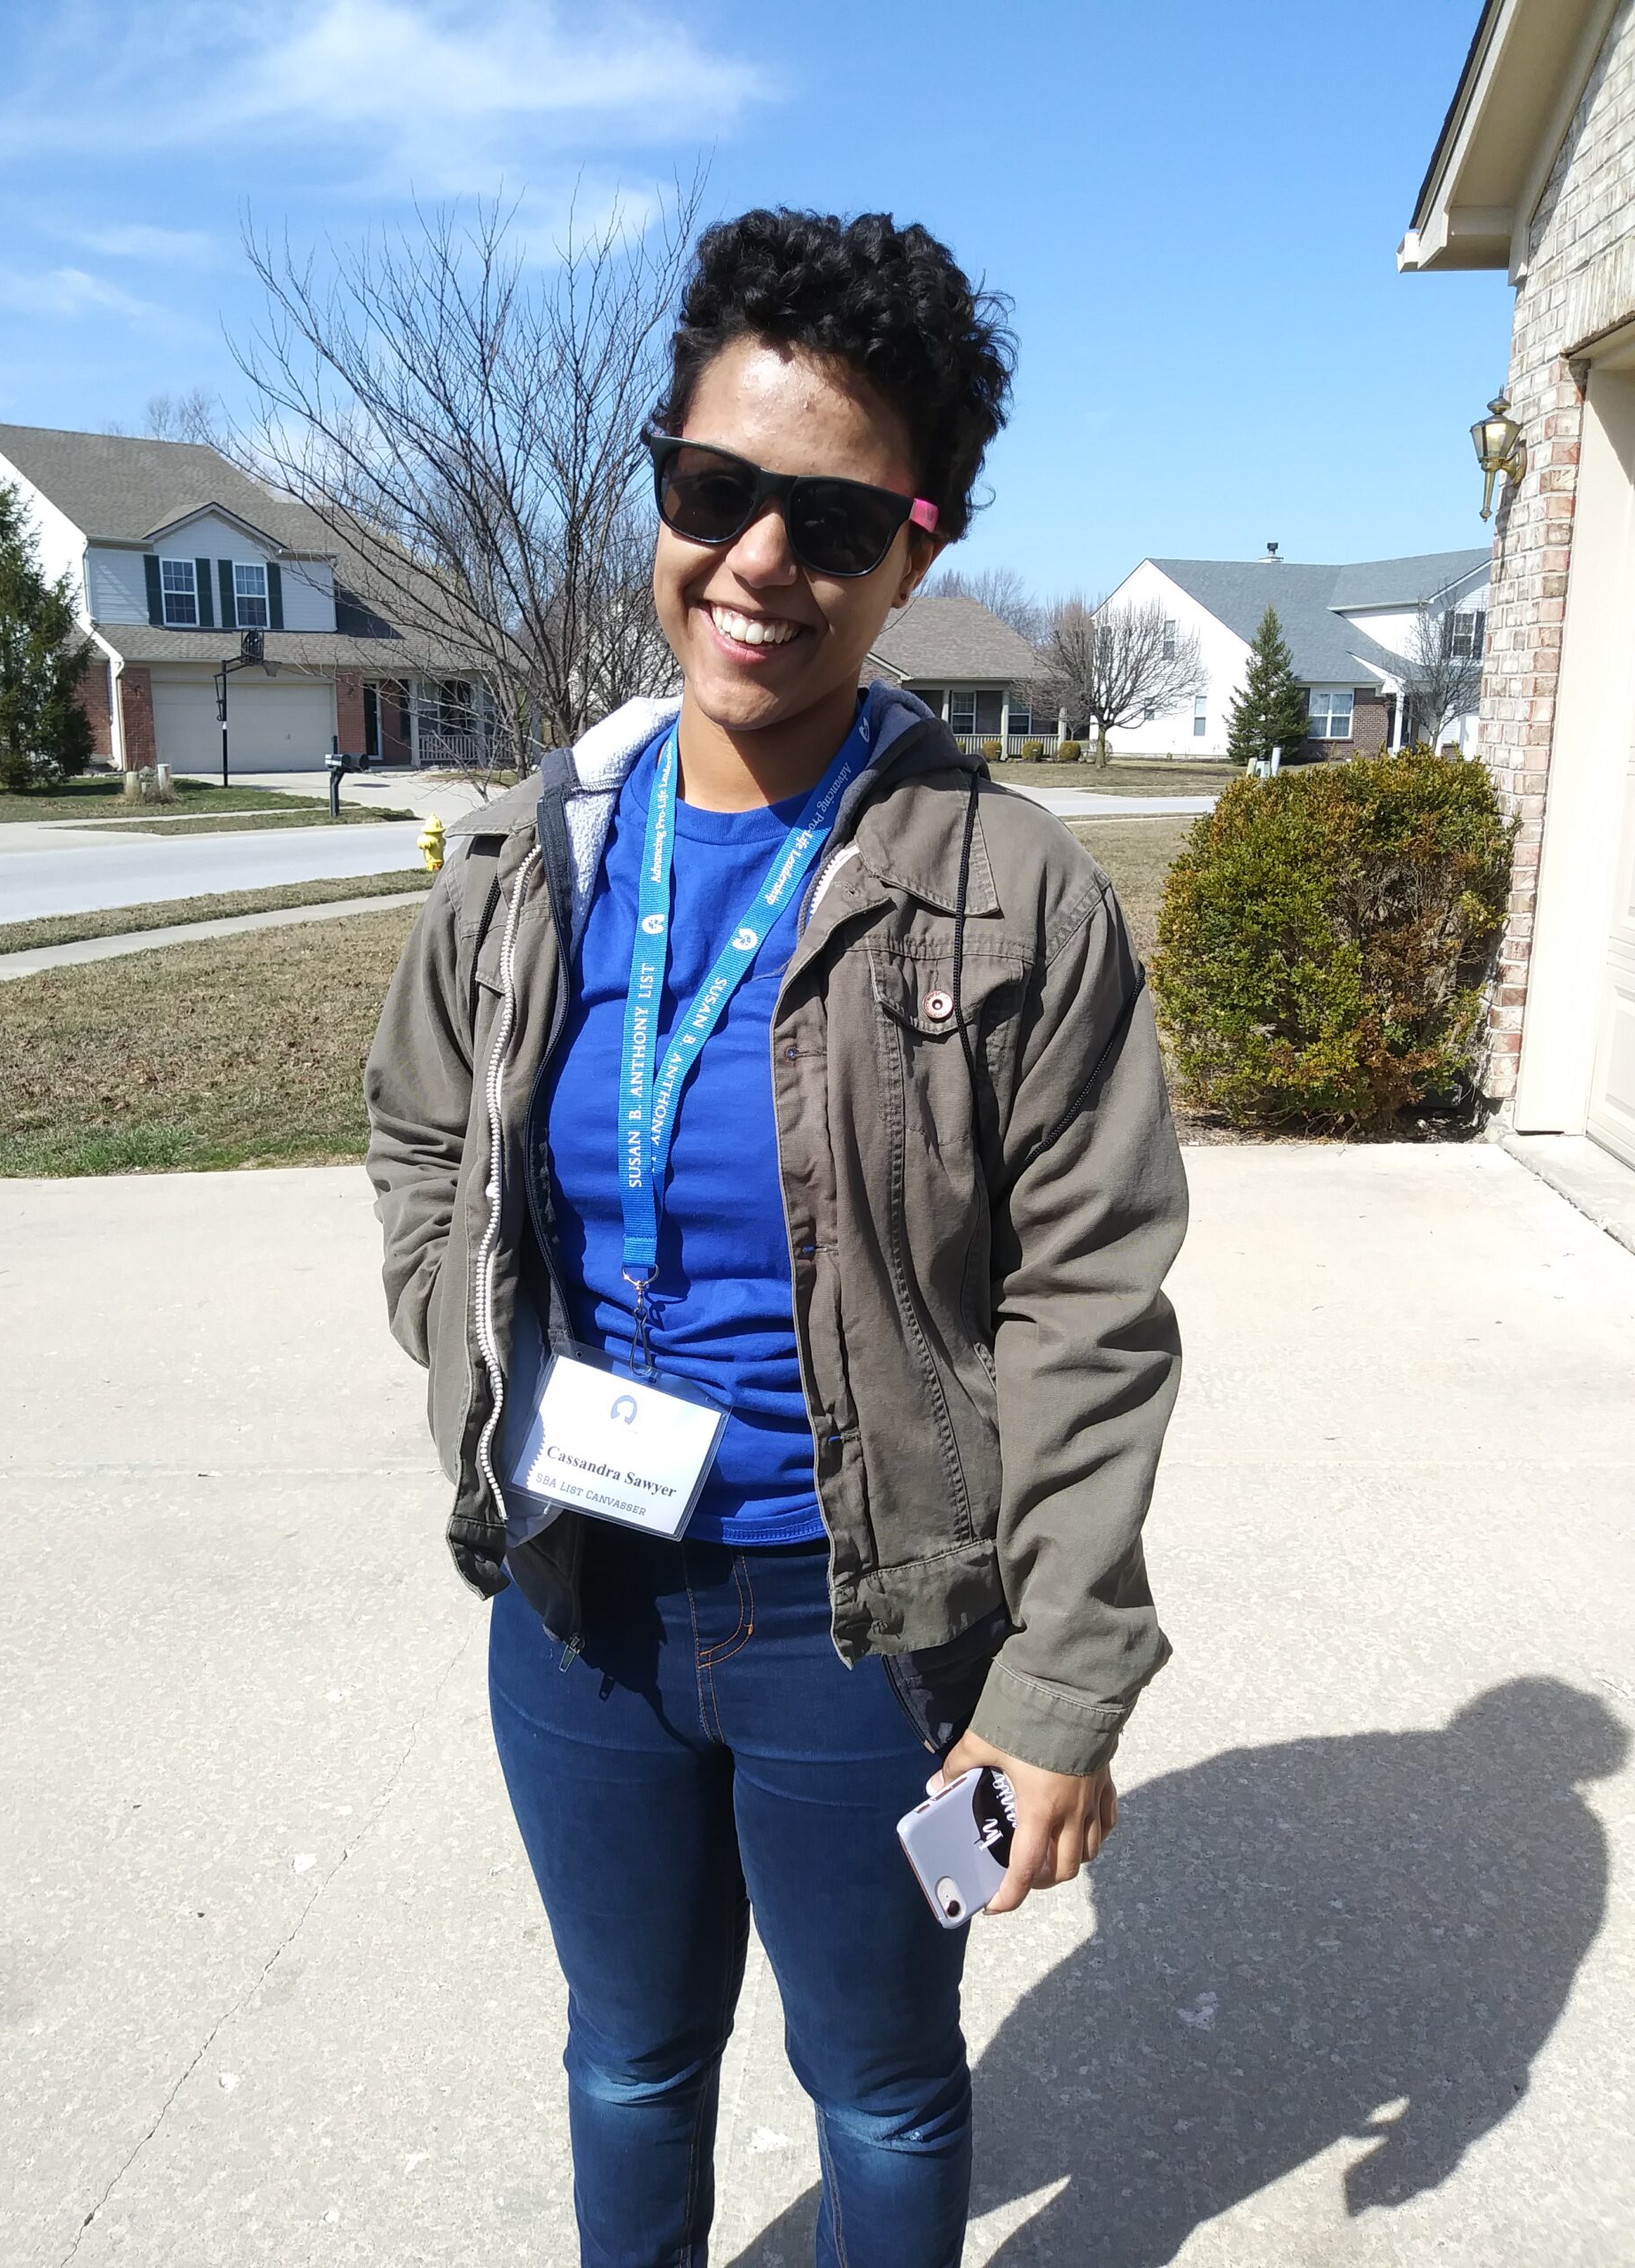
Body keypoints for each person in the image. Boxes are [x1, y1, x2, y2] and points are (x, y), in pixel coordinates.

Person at [364, 207, 1187, 2268]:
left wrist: (1061, 1683)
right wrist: (472, 1359)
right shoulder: (529, 850)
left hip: (881, 1631)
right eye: (712, 488)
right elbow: (421, 1134)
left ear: (917, 549)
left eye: (829, 521)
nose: (757, 561)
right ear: (659, 483)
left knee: (885, 2077)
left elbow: (1092, 1299)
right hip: (579, 1596)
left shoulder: (1011, 890)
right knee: (630, 2050)